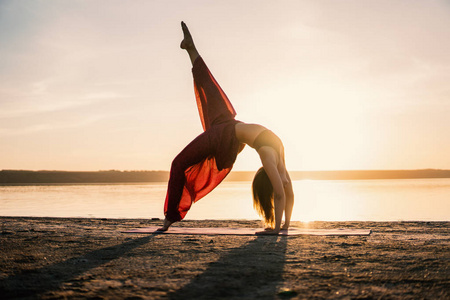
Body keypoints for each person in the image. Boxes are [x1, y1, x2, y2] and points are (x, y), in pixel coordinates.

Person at [158, 22, 294, 235]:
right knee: (210, 92)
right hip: (226, 132)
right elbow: (282, 192)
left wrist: (282, 227)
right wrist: (279, 228)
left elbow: (286, 192)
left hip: (230, 133)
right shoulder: (272, 157)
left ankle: (169, 218)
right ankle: (191, 48)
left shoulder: (277, 155)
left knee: (180, 161)